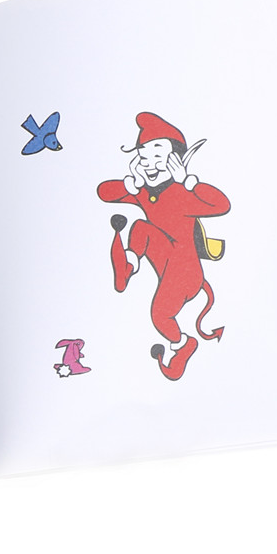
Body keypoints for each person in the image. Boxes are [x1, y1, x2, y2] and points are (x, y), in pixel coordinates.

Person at [97, 112, 230, 380]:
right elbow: (104, 192)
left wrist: (188, 182)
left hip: (186, 273)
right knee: (140, 227)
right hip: (164, 258)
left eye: (158, 157)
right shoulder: (146, 194)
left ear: (176, 160)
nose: (150, 165)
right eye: (144, 158)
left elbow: (221, 205)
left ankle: (183, 344)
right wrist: (132, 184)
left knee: (160, 315)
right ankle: (129, 265)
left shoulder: (183, 195)